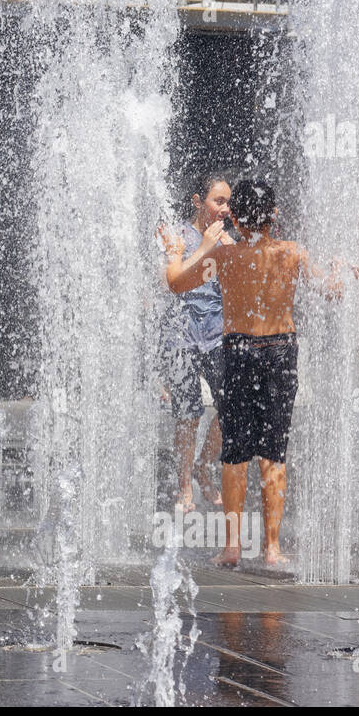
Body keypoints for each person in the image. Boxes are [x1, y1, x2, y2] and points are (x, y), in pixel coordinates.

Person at [164, 178, 342, 568]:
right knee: (273, 452)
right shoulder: (294, 254)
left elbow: (176, 282)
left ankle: (231, 548)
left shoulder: (226, 257)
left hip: (239, 352)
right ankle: (273, 548)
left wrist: (178, 250)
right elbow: (333, 290)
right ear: (274, 216)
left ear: (238, 219)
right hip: (280, 353)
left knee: (235, 454)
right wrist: (338, 271)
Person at [159, 173, 231, 511]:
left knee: (232, 406)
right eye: (218, 201)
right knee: (187, 414)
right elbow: (171, 281)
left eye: (228, 202)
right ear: (197, 201)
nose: (225, 209)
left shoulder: (228, 241)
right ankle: (185, 486)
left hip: (216, 336)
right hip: (182, 337)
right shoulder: (176, 236)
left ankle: (205, 464)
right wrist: (204, 248)